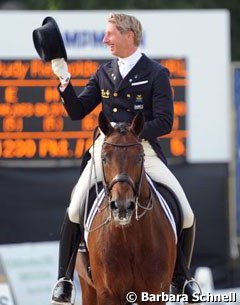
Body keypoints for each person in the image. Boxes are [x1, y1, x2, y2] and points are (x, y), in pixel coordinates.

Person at [51, 13, 198, 305]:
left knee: (187, 211)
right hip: (106, 151)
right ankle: (65, 279)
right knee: (75, 207)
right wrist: (64, 80)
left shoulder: (156, 72)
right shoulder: (103, 72)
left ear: (129, 35)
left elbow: (165, 121)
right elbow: (78, 111)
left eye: (110, 34)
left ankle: (182, 278)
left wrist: (132, 135)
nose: (105, 40)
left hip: (142, 149)